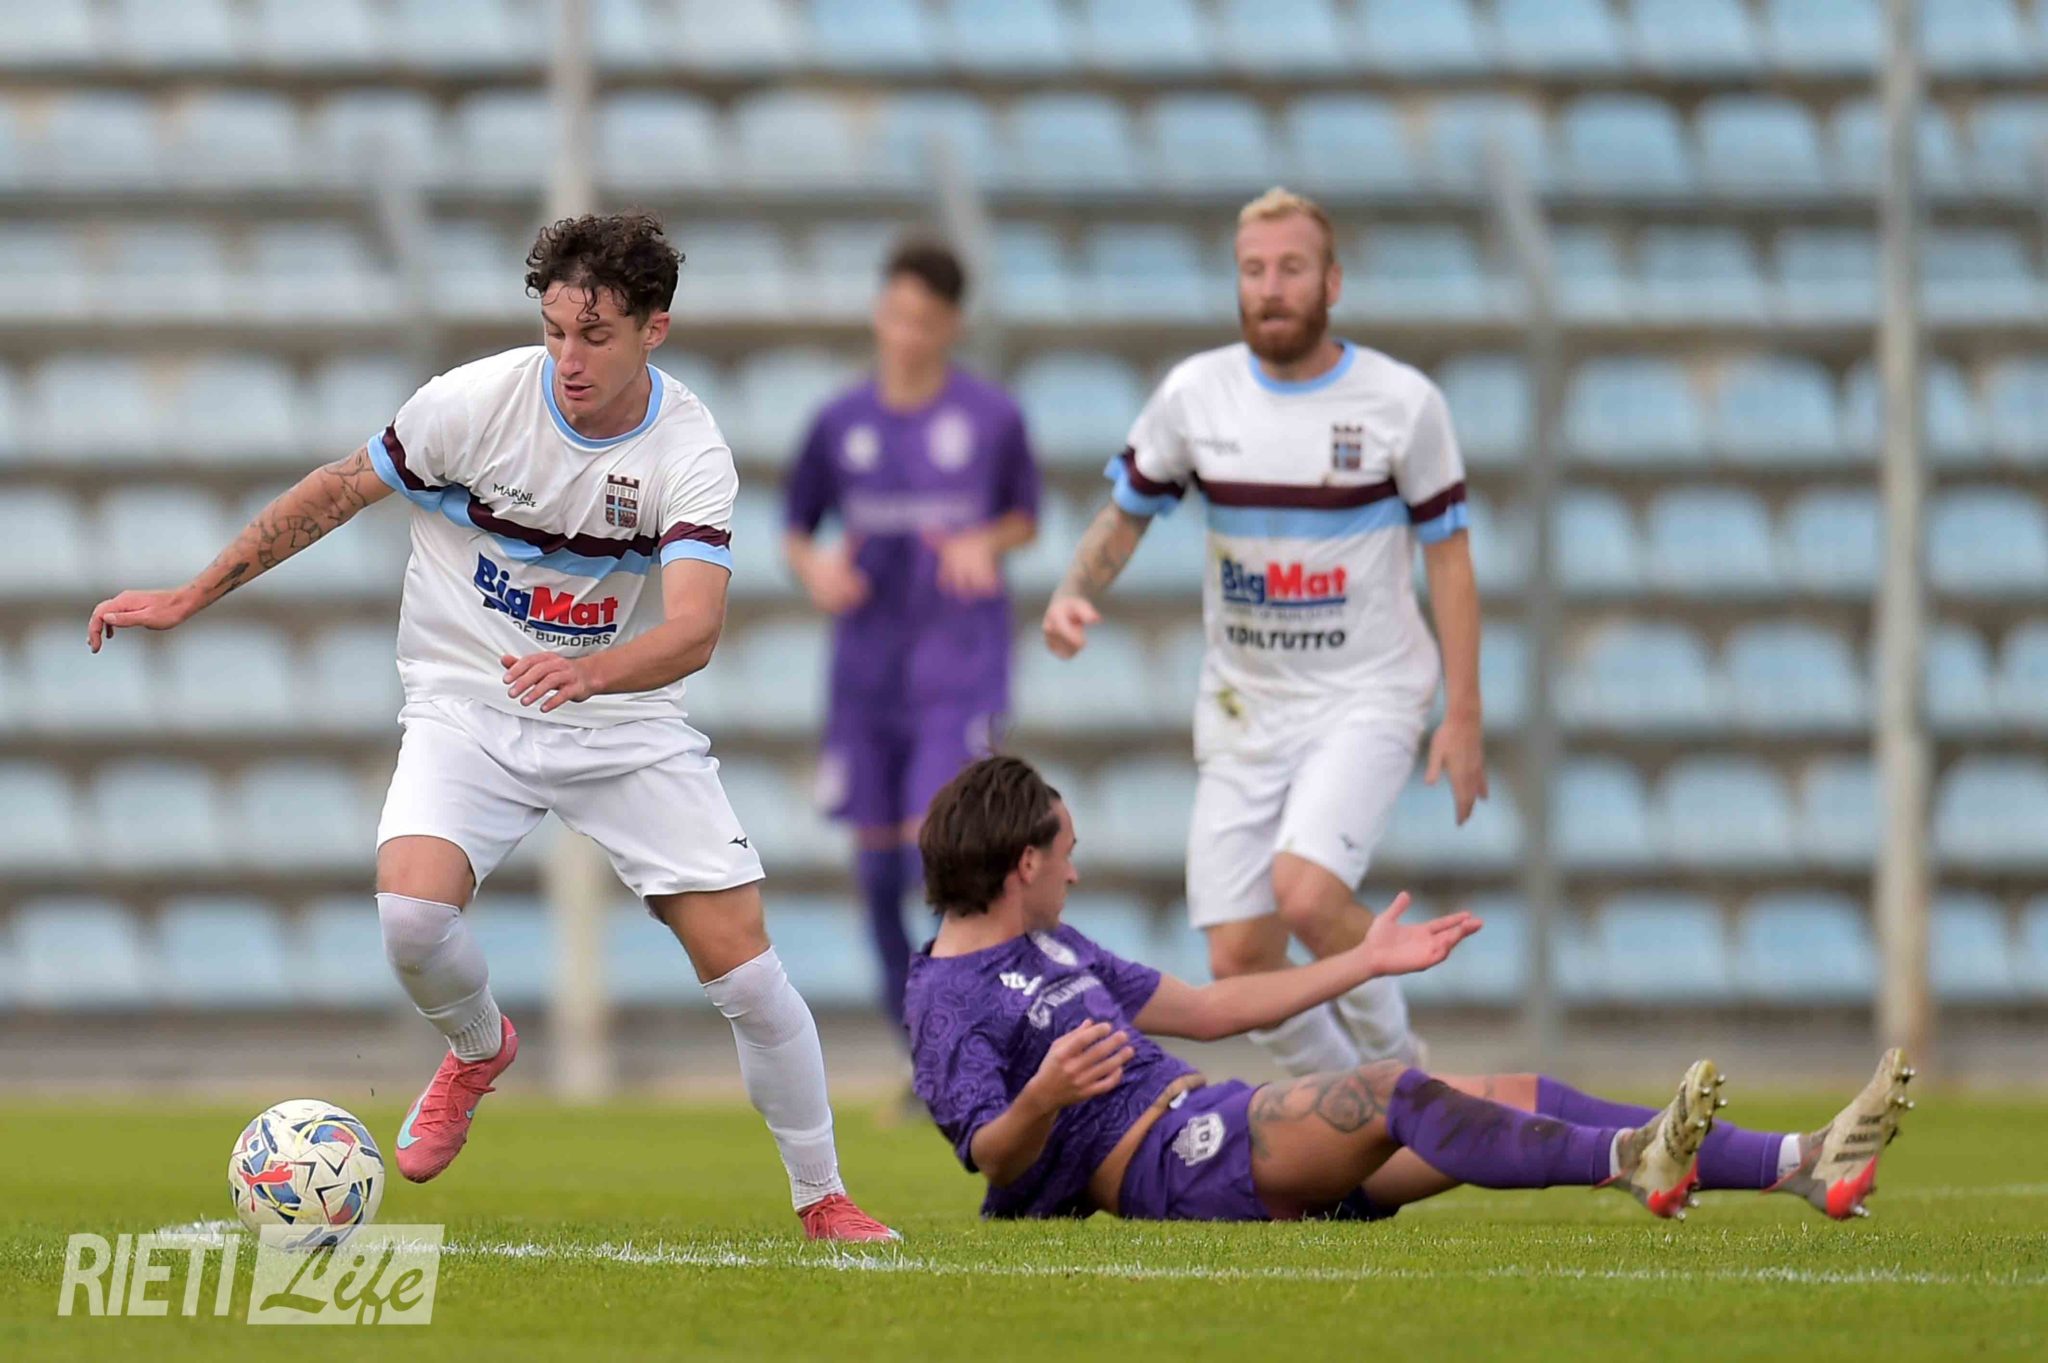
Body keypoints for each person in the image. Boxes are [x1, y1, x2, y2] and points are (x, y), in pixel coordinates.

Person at [86, 211, 896, 1242]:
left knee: (744, 969)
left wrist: (589, 672)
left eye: (595, 335)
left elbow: (694, 630)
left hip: (617, 715)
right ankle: (478, 1047)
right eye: (555, 330)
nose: (568, 358)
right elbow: (337, 490)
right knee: (411, 917)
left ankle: (822, 1195)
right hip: (467, 699)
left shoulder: (688, 450)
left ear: (654, 329)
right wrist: (190, 594)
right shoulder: (471, 404)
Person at [905, 756, 1916, 1224]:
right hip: (1171, 1164)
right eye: (1066, 854)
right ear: (1023, 863)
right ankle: (1629, 1161)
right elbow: (986, 1152)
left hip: (1208, 1119)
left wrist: (1364, 962)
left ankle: (1800, 1161)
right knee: (1394, 1090)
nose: (1075, 871)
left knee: (1516, 1092)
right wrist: (1045, 1097)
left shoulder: (1056, 943)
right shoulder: (948, 996)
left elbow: (1210, 1008)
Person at [1042, 188, 1487, 1078]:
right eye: (1253, 270)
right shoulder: (1196, 395)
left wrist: (1465, 712)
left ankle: (1402, 1071)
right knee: (1238, 955)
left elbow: (1449, 557)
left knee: (1308, 895)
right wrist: (1072, 591)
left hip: (1367, 692)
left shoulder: (1402, 404)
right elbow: (1127, 513)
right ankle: (1347, 1108)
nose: (1271, 287)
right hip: (1246, 702)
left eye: (1291, 268)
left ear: (1333, 282)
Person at [783, 239, 1040, 1048]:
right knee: (877, 872)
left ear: (952, 325)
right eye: (895, 316)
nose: (905, 334)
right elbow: (796, 528)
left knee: (943, 855)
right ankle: (923, 1046)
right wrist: (818, 568)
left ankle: (975, 1030)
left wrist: (983, 542)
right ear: (878, 313)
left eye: (923, 321)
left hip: (957, 666)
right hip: (866, 671)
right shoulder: (840, 422)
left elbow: (1025, 516)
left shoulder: (992, 419)